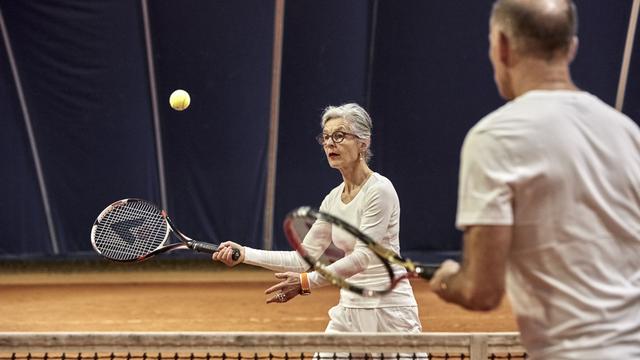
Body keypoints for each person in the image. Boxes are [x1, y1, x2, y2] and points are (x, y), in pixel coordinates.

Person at [428, 0, 640, 358]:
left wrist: (449, 279)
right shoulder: (628, 133)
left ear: (502, 46)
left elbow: (482, 291)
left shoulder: (493, 137)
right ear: (571, 48)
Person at [214, 103, 424, 338]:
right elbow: (302, 259)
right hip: (349, 311)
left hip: (390, 310)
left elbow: (363, 257)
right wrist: (244, 254)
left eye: (339, 136)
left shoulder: (379, 190)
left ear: (363, 143)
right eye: (325, 137)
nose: (330, 143)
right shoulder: (332, 200)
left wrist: (307, 282)